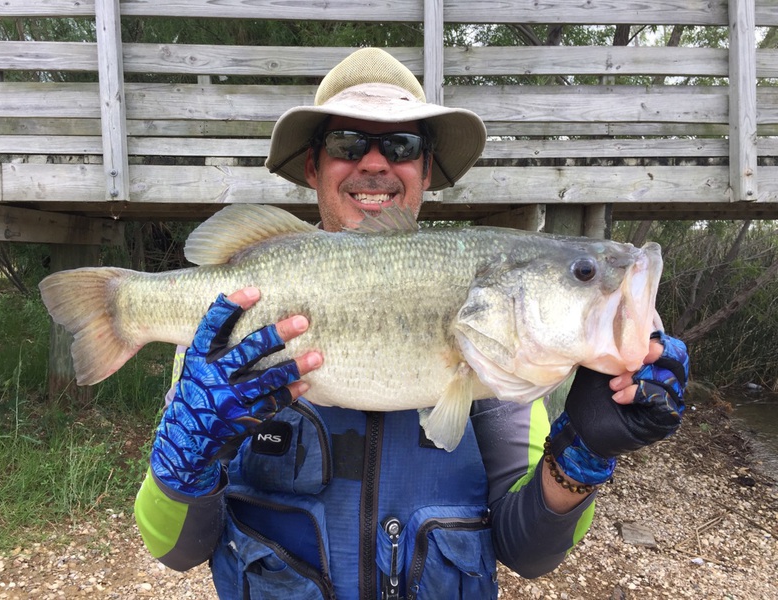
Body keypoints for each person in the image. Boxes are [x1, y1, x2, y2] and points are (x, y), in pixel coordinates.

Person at [134, 48, 690, 600]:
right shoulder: (222, 335)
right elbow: (175, 550)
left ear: (425, 169)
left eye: (401, 146)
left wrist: (582, 453)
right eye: (347, 144)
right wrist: (185, 457)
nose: (375, 164)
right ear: (313, 166)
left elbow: (529, 553)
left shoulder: (499, 368)